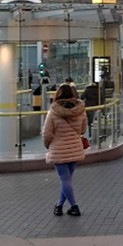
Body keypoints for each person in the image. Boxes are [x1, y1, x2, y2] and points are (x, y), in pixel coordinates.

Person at [43, 85, 88, 216]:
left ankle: (74, 206)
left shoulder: (53, 111)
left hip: (58, 149)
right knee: (67, 180)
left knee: (64, 180)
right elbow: (83, 130)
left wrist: (48, 145)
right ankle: (59, 205)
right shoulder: (80, 110)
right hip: (75, 148)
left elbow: (47, 134)